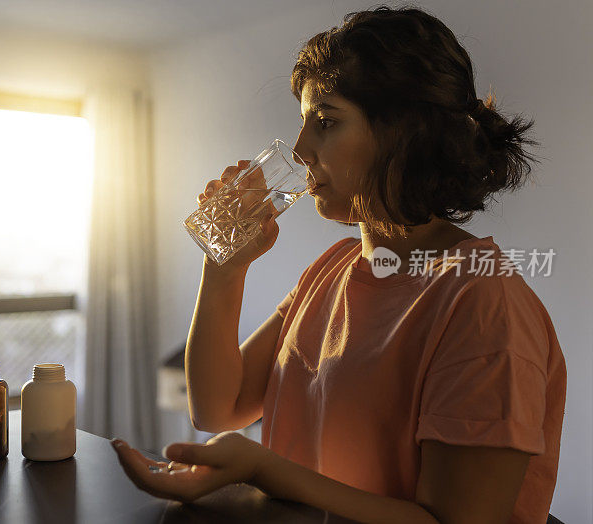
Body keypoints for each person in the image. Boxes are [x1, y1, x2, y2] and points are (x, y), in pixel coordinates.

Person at [111, 6, 566, 524]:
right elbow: (217, 408)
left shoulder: (481, 302)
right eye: (304, 123)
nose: (301, 148)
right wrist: (223, 267)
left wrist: (262, 469)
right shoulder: (334, 268)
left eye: (325, 121)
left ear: (405, 132)